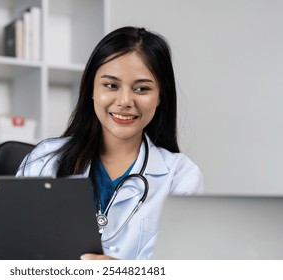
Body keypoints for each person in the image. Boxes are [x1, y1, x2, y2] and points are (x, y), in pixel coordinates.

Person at [16, 26, 204, 260]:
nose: (125, 101)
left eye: (142, 89)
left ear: (160, 97)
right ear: (91, 89)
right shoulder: (44, 160)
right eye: (111, 85)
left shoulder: (181, 176)